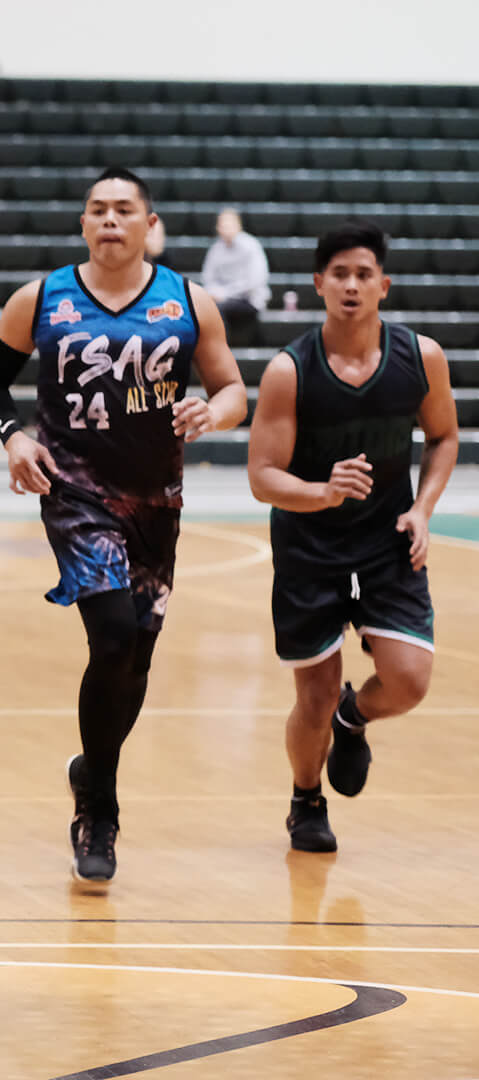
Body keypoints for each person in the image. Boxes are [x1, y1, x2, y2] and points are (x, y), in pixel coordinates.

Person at [0, 166, 247, 884]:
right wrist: (13, 437)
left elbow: (232, 391)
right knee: (113, 634)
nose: (109, 220)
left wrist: (210, 415)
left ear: (148, 224)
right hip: (75, 491)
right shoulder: (40, 298)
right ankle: (100, 807)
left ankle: (89, 768)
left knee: (137, 660)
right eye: (97, 209)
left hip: (155, 499)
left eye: (124, 209)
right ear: (83, 223)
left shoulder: (189, 302)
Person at [246, 221, 458, 853]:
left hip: (388, 541)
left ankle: (354, 716)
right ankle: (306, 799)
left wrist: (423, 510)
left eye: (364, 274)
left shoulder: (421, 358)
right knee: (310, 696)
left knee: (410, 681)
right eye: (339, 273)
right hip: (311, 549)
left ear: (383, 286)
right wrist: (322, 492)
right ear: (318, 284)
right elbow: (262, 476)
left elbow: (445, 438)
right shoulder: (291, 371)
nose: (351, 285)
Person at [201, 208, 270, 346]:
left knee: (219, 308)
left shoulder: (251, 246)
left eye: (229, 224)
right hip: (222, 299)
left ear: (238, 225)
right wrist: (214, 292)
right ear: (217, 227)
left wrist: (225, 293)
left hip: (249, 299)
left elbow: (255, 281)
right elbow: (207, 278)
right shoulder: (215, 249)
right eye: (222, 225)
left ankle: (220, 349)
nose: (226, 228)